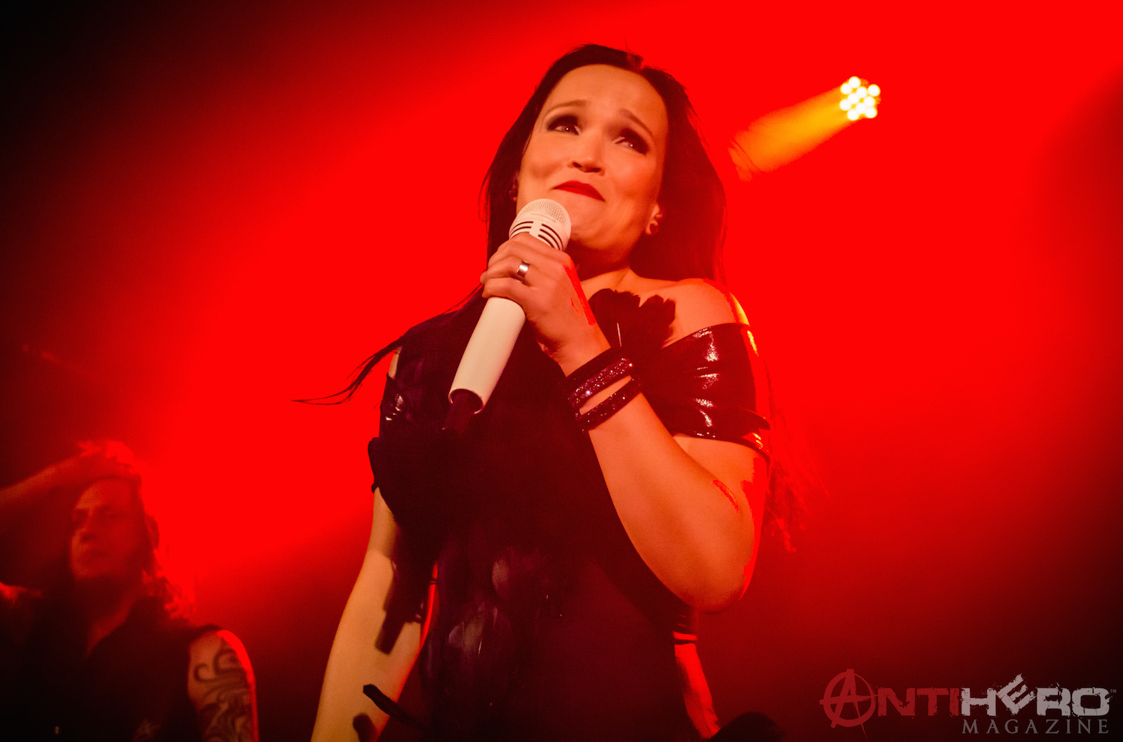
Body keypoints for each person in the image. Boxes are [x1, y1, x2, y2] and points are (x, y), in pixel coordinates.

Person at [311, 45, 785, 741]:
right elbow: (390, 584)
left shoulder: (688, 312)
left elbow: (716, 571)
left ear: (657, 206)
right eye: (566, 124)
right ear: (516, 177)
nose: (587, 155)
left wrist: (580, 348)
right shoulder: (430, 355)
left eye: (629, 140)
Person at [0, 442, 259, 742]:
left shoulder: (203, 653)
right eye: (77, 520)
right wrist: (51, 479)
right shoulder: (40, 626)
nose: (87, 531)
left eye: (109, 516)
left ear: (150, 537)